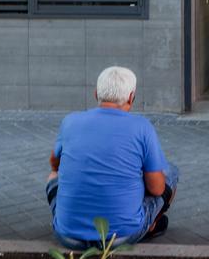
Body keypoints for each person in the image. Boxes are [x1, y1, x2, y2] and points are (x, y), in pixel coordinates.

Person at [46, 66, 179, 249]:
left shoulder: (70, 121)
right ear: (131, 97)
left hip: (68, 236)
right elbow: (157, 189)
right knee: (170, 172)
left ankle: (71, 217)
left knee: (53, 176)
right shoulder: (142, 127)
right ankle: (150, 224)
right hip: (120, 237)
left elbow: (55, 165)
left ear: (96, 94)